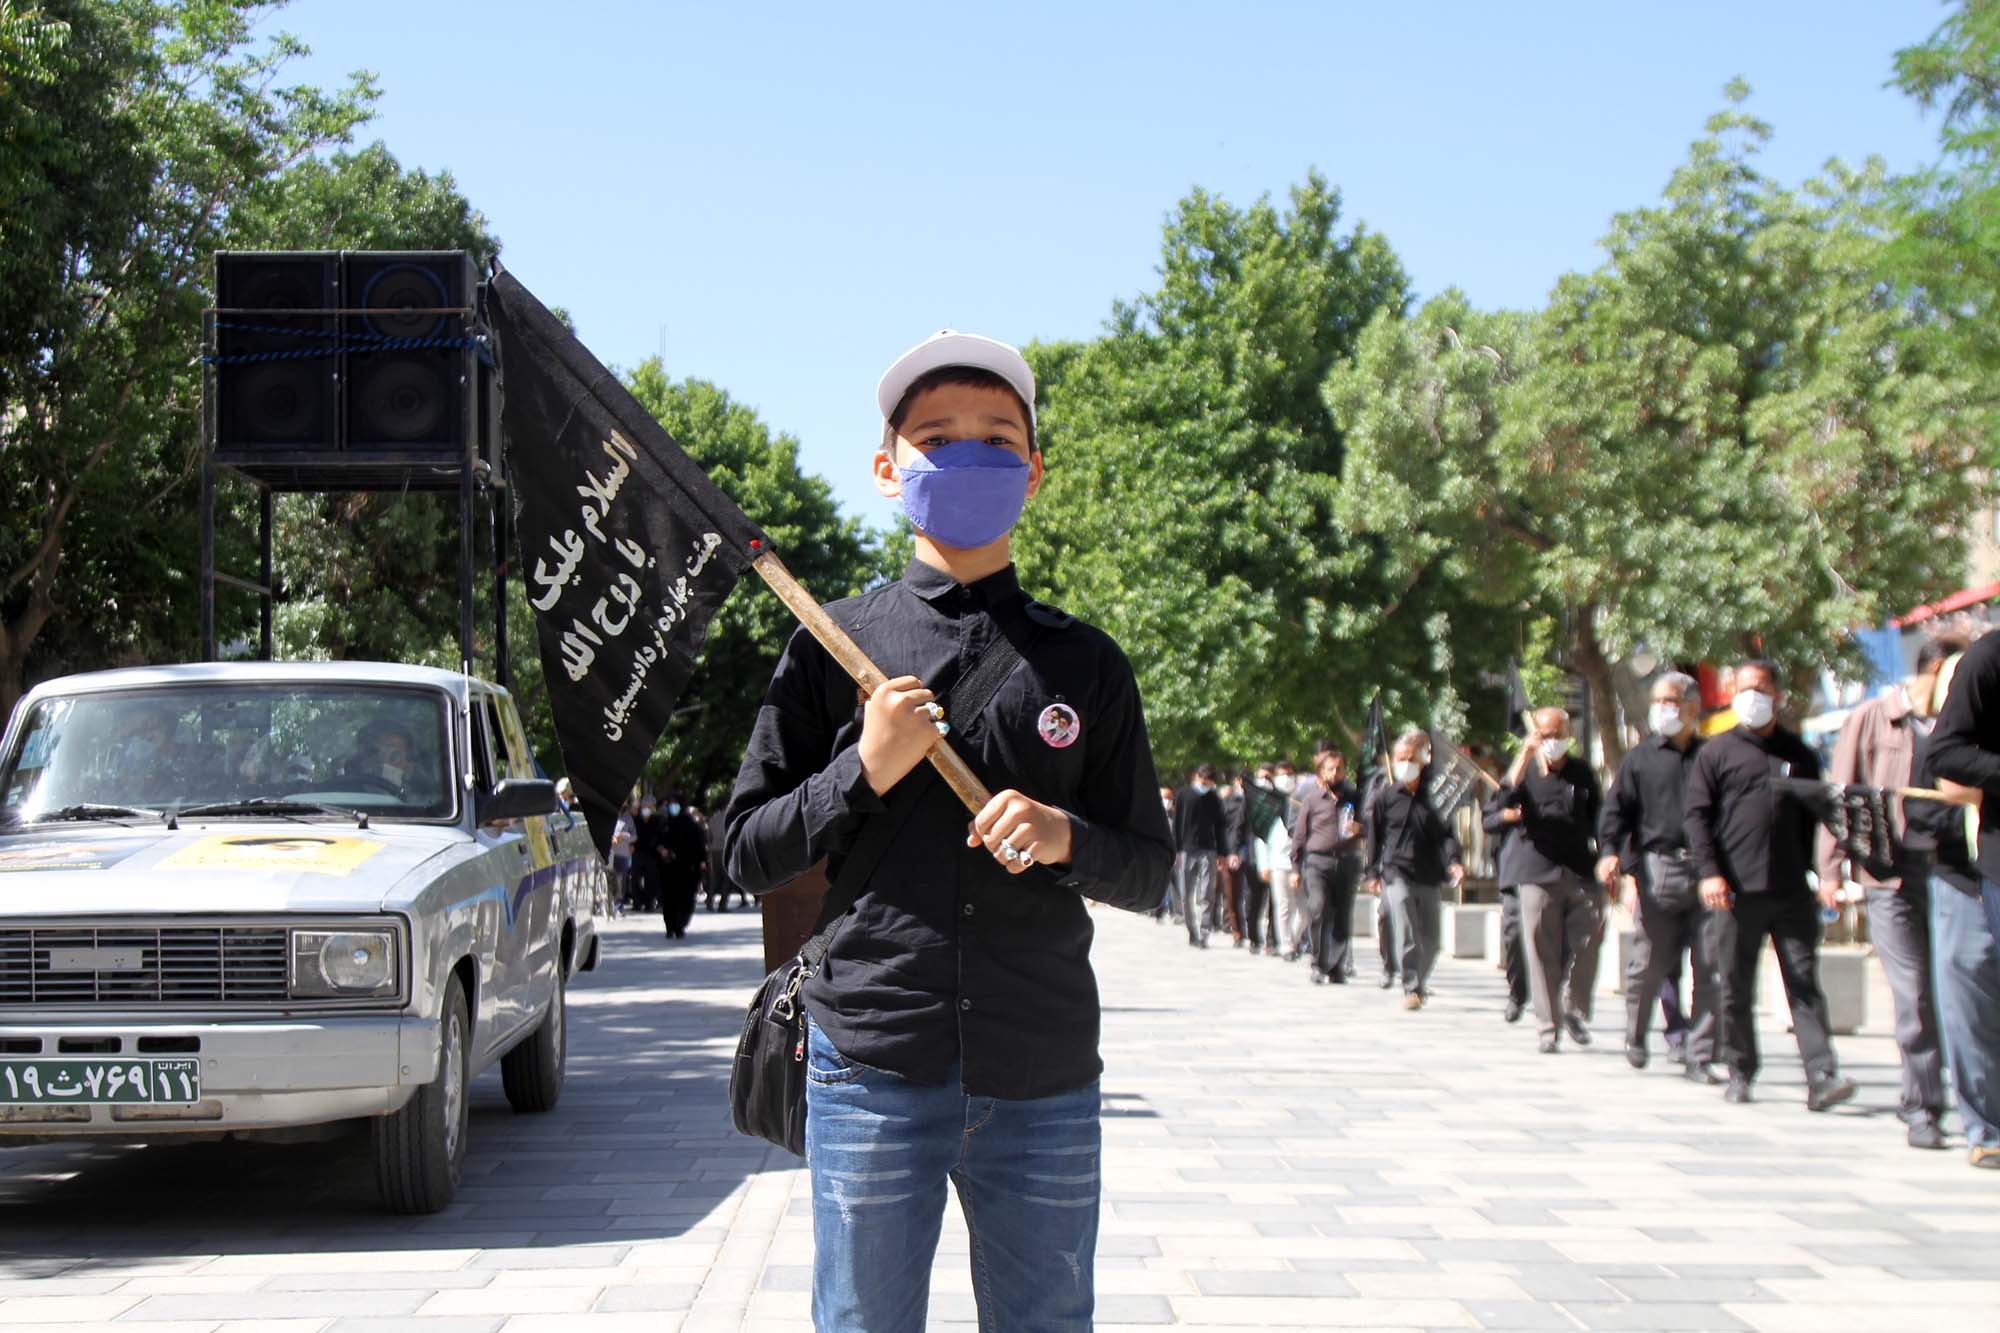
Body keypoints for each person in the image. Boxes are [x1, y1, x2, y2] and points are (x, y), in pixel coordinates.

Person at [718, 330, 1174, 1331]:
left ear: (1033, 471)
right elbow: (743, 845)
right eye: (936, 437)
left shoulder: (1085, 665)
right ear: (888, 469)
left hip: (1041, 1063)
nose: (968, 455)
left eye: (996, 439)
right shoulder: (833, 641)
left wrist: (1064, 834)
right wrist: (863, 768)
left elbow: (1150, 872)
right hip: (871, 1055)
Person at [1686, 660, 1857, 1111]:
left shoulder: (1798, 753)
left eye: (1761, 689)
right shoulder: (1715, 753)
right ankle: (1741, 1070)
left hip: (1790, 890)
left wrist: (1825, 873)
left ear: (1777, 696)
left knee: (1802, 982)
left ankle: (1821, 1075)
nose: (1753, 697)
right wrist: (1710, 873)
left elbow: (1818, 816)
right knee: (1735, 986)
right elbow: (1697, 819)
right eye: (1744, 689)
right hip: (1735, 891)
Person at [1598, 671, 1719, 1081]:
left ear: (1691, 706)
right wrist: (1611, 854)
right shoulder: (1639, 759)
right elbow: (1616, 812)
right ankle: (1635, 1034)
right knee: (1649, 962)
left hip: (1708, 872)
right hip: (1658, 871)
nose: (1663, 709)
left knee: (1710, 964)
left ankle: (1698, 1053)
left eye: (1670, 701)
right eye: (1658, 702)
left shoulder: (1712, 756)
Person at [1908, 645, 2000, 1171]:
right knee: (1970, 1004)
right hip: (1965, 874)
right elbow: (1939, 774)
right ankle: (1984, 1127)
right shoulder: (1985, 665)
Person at [1498, 708, 1604, 1053]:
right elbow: (1503, 799)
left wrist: (1608, 857)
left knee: (1590, 936)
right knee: (1542, 952)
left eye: (1559, 734)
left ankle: (1574, 1007)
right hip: (1537, 871)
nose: (1553, 741)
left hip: (1579, 869)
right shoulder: (1526, 769)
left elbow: (1599, 818)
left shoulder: (1581, 772)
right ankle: (1548, 1026)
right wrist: (1525, 753)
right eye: (1546, 735)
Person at [1363, 730, 1466, 1009]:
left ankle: (1419, 981)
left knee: (1431, 938)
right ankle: (1410, 984)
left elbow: (1446, 835)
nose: (1405, 764)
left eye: (1411, 758)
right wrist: (1372, 873)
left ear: (1422, 761)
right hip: (1396, 872)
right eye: (1400, 759)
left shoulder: (1434, 798)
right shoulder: (1385, 798)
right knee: (1406, 926)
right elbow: (1375, 837)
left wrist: (1454, 862)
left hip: (1429, 873)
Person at [1291, 744, 1363, 984]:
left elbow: (1371, 827)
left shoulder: (1354, 797)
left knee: (1343, 915)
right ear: (1321, 772)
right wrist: (1295, 867)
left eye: (1339, 769)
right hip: (1317, 863)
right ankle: (1317, 963)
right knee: (1318, 908)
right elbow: (1300, 835)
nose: (1335, 774)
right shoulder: (1312, 800)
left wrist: (1360, 828)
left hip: (1346, 862)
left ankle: (1335, 965)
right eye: (1330, 769)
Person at [1482, 786, 1531, 1023]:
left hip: (1553, 871)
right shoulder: (1511, 785)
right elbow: (1488, 821)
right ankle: (1518, 992)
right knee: (1515, 934)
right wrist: (1506, 815)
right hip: (1516, 872)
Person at [1172, 763, 1225, 949]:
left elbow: (1220, 826)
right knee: (1186, 893)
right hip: (1186, 850)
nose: (1206, 785)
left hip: (1208, 850)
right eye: (1204, 780)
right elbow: (1176, 823)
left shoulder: (1213, 798)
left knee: (1206, 894)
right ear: (1197, 777)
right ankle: (1192, 931)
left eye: (1209, 782)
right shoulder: (1183, 795)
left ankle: (1204, 933)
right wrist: (1176, 849)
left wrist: (1222, 853)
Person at [659, 793, 705, 940]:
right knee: (668, 899)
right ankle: (670, 927)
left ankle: (680, 926)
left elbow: (699, 846)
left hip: (687, 868)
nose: (672, 807)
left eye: (675, 803)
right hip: (668, 868)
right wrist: (662, 850)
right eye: (670, 803)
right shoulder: (665, 823)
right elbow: (656, 841)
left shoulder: (691, 825)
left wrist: (701, 862)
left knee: (685, 898)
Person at [1217, 773, 1249, 946]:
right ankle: (1238, 932)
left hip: (1252, 853)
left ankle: (1253, 934)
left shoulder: (1254, 803)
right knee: (1232, 895)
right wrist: (1222, 853)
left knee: (1251, 896)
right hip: (1230, 853)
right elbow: (1222, 829)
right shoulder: (1226, 803)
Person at [1154, 784, 1178, 923]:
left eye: (1169, 798)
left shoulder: (1175, 815)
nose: (1166, 801)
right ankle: (1158, 909)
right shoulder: (1153, 815)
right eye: (1164, 798)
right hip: (1157, 854)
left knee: (1173, 884)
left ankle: (1172, 909)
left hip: (1172, 855)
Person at [610, 797, 636, 916]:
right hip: (609, 853)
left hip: (622, 854)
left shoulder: (628, 818)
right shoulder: (609, 814)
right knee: (609, 879)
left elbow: (634, 836)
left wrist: (622, 836)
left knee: (620, 880)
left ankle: (618, 905)